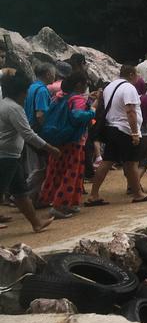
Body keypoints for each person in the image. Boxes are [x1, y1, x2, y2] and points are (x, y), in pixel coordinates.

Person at [87, 64, 147, 205]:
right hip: (125, 129)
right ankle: (138, 194)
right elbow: (130, 111)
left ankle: (93, 194)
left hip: (111, 127)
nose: (139, 76)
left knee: (107, 161)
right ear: (131, 74)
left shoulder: (110, 87)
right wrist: (135, 133)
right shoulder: (129, 88)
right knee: (131, 163)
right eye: (137, 73)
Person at [0, 72, 58, 232]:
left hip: (10, 155)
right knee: (12, 191)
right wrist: (50, 148)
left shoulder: (4, 104)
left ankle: (36, 223)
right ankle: (36, 223)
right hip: (6, 156)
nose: (26, 96)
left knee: (20, 192)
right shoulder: (14, 108)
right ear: (20, 92)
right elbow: (28, 134)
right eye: (25, 92)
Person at [39, 72, 96, 219]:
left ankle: (67, 203)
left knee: (57, 171)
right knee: (73, 173)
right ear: (78, 84)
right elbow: (77, 116)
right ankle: (60, 205)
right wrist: (92, 112)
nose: (86, 86)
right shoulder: (77, 99)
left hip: (59, 139)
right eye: (85, 84)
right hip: (74, 141)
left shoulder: (59, 97)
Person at [24, 62, 56, 199]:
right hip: (38, 132)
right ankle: (23, 194)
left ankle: (32, 196)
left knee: (34, 165)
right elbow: (40, 114)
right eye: (53, 73)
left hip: (28, 128)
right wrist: (48, 131)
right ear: (48, 74)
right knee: (41, 167)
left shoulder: (31, 87)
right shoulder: (42, 90)